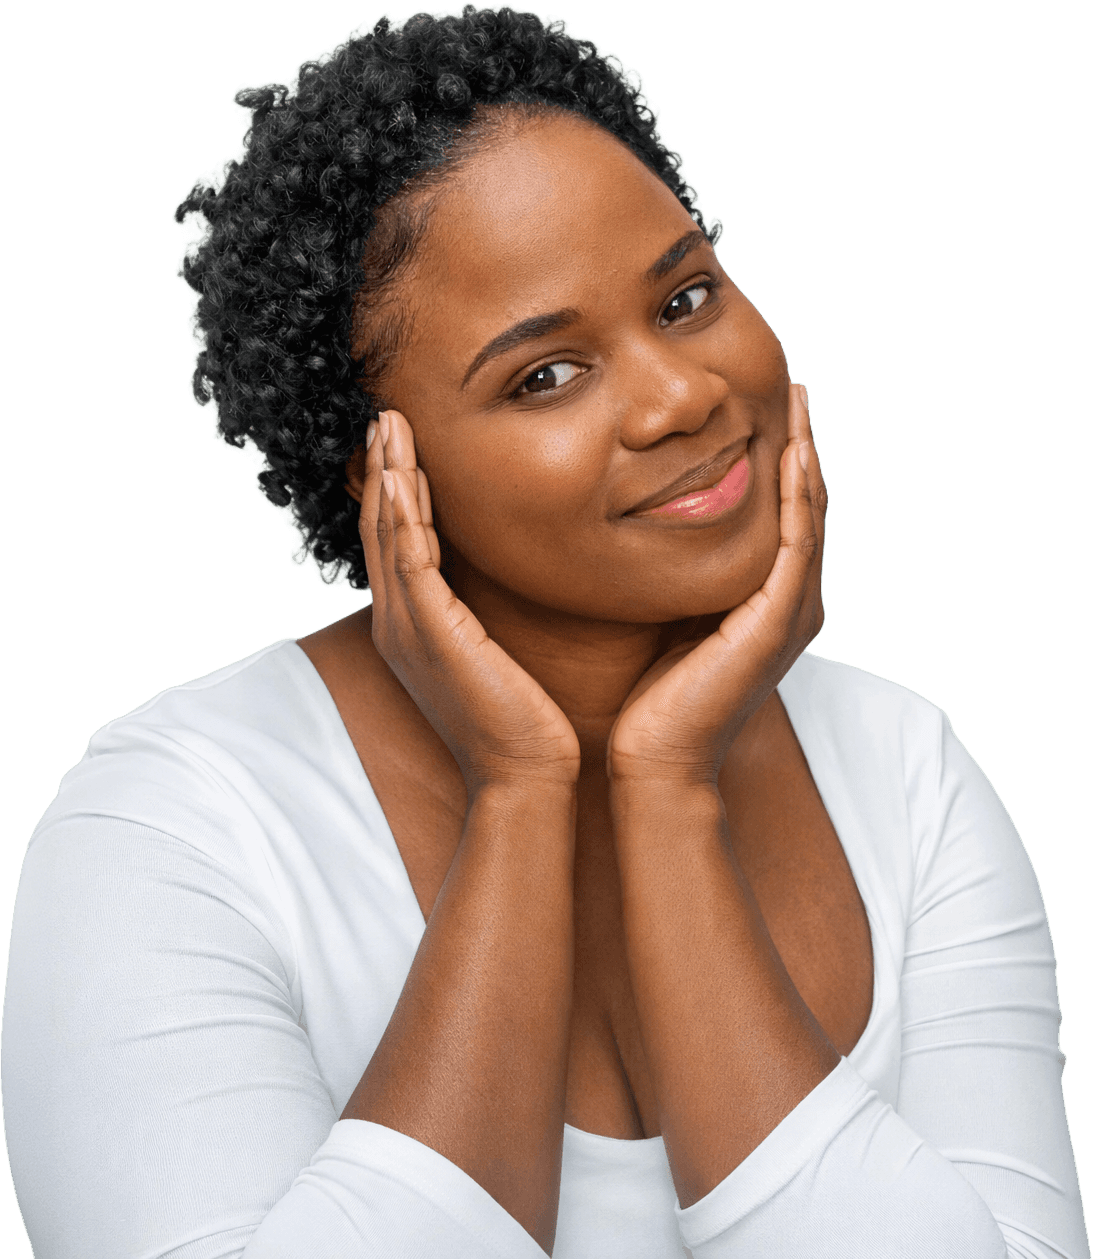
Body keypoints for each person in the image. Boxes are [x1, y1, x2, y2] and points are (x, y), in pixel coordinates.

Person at [2, 5, 1088, 1257]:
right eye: (544, 376)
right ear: (384, 473)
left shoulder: (905, 771)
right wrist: (519, 792)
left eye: (685, 296)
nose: (681, 396)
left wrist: (667, 790)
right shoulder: (174, 824)